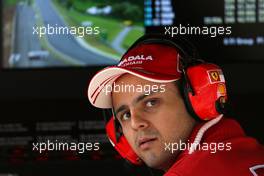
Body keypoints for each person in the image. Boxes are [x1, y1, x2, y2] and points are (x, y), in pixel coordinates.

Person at [87, 35, 264, 176]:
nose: (135, 123)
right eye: (125, 114)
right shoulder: (253, 154)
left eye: (151, 102)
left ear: (197, 101)